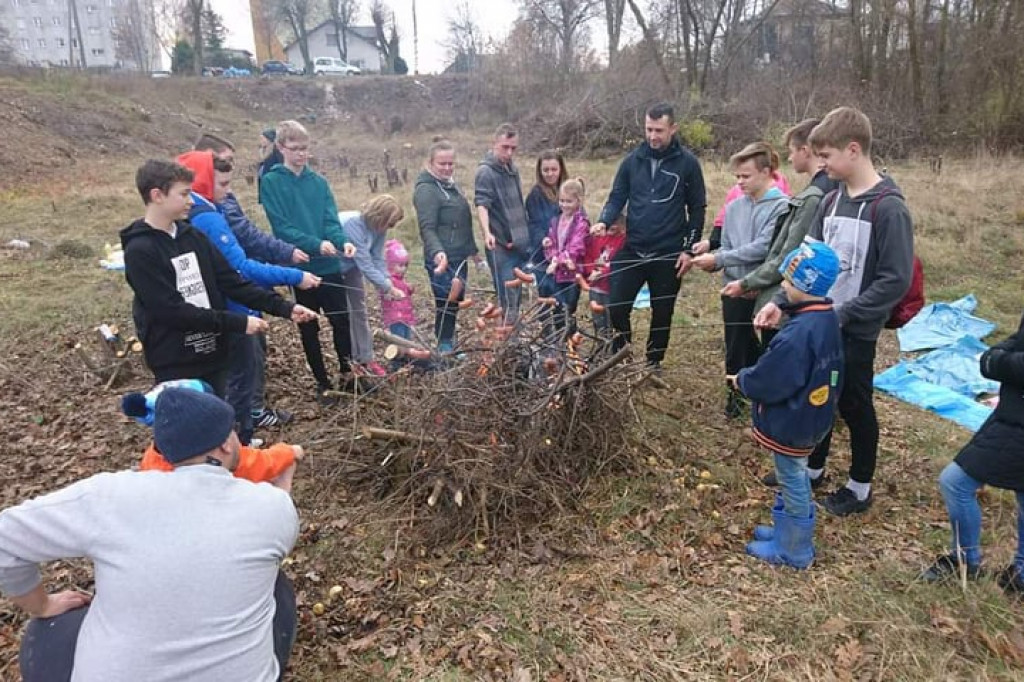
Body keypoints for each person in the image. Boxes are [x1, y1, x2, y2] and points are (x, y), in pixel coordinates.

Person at [2, 388, 299, 682]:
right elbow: (275, 526)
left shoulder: (110, 496)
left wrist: (42, 606)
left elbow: (6, 538)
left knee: (50, 630)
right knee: (276, 587)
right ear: (224, 444)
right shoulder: (271, 506)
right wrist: (282, 490)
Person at [754, 106, 914, 516]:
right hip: (818, 323)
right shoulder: (829, 202)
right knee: (817, 394)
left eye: (826, 157)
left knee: (854, 403)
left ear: (854, 150)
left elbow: (894, 280)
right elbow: (804, 262)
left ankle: (859, 488)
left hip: (855, 329)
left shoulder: (889, 208)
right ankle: (812, 469)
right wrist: (779, 301)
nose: (820, 164)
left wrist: (842, 314)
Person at [121, 160, 317, 397]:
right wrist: (238, 322)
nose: (191, 201)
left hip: (212, 351)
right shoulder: (140, 251)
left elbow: (231, 281)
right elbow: (170, 310)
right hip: (175, 359)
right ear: (157, 195)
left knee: (221, 418)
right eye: (184, 194)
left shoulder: (193, 236)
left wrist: (284, 307)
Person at [175, 149, 320, 443]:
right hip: (235, 309)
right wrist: (294, 275)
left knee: (234, 376)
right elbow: (238, 269)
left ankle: (236, 435)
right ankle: (241, 440)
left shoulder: (190, 215)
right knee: (241, 376)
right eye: (223, 185)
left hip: (219, 309)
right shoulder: (208, 218)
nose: (228, 192)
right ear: (204, 180)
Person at [733, 242, 843, 569]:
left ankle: (794, 548)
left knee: (792, 477)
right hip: (812, 417)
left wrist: (744, 379)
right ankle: (785, 530)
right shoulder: (824, 317)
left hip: (795, 421)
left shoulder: (798, 335)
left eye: (790, 282)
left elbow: (773, 378)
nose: (783, 285)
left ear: (806, 287)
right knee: (792, 473)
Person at [591, 102, 707, 372]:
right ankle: (621, 356)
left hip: (668, 251)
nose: (653, 136)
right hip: (633, 247)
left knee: (662, 311)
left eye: (659, 130)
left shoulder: (688, 164)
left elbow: (698, 207)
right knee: (617, 306)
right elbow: (617, 195)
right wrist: (604, 220)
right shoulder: (633, 161)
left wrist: (688, 250)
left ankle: (654, 362)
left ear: (673, 128)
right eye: (648, 129)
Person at [920, 310, 1024, 593]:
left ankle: (964, 560)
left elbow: (1005, 359)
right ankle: (1021, 574)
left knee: (955, 482)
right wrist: (999, 358)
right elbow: (1010, 346)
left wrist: (999, 360)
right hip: (1012, 412)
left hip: (1016, 423)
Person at [260, 120, 360, 404]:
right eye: (295, 149)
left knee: (342, 320)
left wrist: (342, 242)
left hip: (329, 267)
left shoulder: (319, 182)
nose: (302, 154)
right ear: (281, 148)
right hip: (301, 269)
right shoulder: (272, 182)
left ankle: (348, 373)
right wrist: (315, 244)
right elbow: (282, 227)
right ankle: (322, 382)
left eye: (305, 149)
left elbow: (330, 220)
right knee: (309, 326)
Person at [692, 142, 789, 418]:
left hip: (765, 288)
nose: (740, 182)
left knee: (771, 345)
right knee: (736, 344)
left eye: (746, 176)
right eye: (737, 176)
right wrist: (712, 261)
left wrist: (723, 260)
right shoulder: (734, 207)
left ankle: (769, 401)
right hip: (733, 286)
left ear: (767, 173)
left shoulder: (782, 208)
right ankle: (734, 399)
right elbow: (728, 245)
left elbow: (764, 247)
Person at [414, 138, 478, 352]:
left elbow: (463, 220)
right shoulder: (426, 190)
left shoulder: (450, 186)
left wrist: (474, 252)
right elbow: (427, 227)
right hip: (442, 258)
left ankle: (448, 340)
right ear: (430, 163)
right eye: (442, 164)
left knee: (454, 302)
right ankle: (443, 346)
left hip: (459, 256)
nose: (448, 168)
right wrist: (438, 252)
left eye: (451, 163)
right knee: (445, 302)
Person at [338, 195, 407, 376]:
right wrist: (387, 287)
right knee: (344, 315)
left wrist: (387, 282)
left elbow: (377, 257)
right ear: (379, 216)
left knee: (360, 312)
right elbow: (365, 264)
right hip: (333, 269)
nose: (389, 228)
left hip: (351, 268)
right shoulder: (353, 224)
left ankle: (366, 358)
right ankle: (351, 361)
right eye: (389, 223)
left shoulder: (379, 229)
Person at [475, 123, 530, 324]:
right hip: (499, 247)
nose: (509, 152)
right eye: (504, 147)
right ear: (494, 143)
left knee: (518, 295)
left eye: (513, 148)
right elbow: (482, 204)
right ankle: (508, 344)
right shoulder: (485, 172)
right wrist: (486, 232)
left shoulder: (512, 169)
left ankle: (515, 340)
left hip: (519, 244)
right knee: (507, 297)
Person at [542, 178, 590, 337]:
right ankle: (561, 344)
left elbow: (576, 248)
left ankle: (571, 343)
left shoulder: (581, 223)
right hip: (557, 274)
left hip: (572, 276)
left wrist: (558, 261)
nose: (564, 205)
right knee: (557, 310)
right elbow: (553, 243)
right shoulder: (556, 220)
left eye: (569, 201)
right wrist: (550, 250)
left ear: (578, 201)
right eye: (561, 201)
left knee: (568, 310)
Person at [525, 150, 568, 283]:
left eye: (554, 169)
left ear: (561, 169)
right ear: (540, 171)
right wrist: (543, 239)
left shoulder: (569, 189)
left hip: (569, 253)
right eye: (546, 170)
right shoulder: (535, 195)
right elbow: (533, 224)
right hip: (545, 254)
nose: (550, 174)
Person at [584, 213, 626, 338]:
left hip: (610, 288)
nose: (610, 228)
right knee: (598, 320)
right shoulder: (598, 238)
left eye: (615, 224)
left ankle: (613, 347)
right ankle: (600, 346)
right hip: (595, 286)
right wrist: (591, 270)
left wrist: (602, 272)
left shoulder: (623, 240)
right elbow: (588, 256)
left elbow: (619, 264)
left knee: (611, 319)